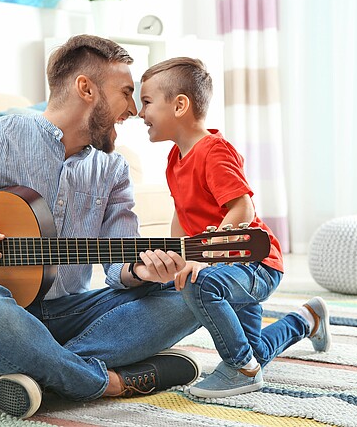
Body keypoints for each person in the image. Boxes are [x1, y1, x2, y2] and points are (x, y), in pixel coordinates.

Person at [0, 35, 202, 419]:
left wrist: (139, 269)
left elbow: (118, 262)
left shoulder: (112, 170)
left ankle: (21, 371)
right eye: (126, 92)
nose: (133, 109)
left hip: (68, 315)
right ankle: (106, 382)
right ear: (86, 88)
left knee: (193, 290)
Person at [133, 56, 331, 398]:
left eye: (147, 102)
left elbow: (242, 206)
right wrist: (178, 255)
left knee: (199, 283)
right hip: (230, 267)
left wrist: (204, 259)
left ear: (180, 105)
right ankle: (307, 318)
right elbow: (183, 213)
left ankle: (241, 369)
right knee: (253, 348)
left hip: (255, 262)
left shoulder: (214, 151)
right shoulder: (174, 158)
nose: (140, 113)